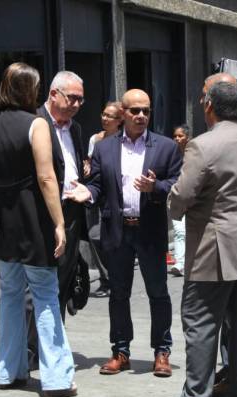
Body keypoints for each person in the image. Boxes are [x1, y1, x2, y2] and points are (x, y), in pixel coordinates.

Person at [154, 81, 237, 397]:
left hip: (215, 247)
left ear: (207, 106)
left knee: (200, 321)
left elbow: (182, 194)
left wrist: (173, 208)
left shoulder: (201, 146)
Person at [0, 62, 76, 397]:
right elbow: (46, 177)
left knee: (9, 294)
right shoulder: (36, 124)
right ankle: (56, 378)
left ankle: (8, 372)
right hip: (31, 221)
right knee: (45, 295)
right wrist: (58, 222)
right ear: (31, 90)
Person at [65, 89, 182, 378]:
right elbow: (97, 185)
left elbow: (178, 185)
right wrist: (87, 193)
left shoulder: (166, 147)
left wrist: (155, 188)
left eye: (146, 111)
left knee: (158, 292)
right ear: (123, 114)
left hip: (150, 230)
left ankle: (162, 352)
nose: (141, 116)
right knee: (118, 294)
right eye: (135, 111)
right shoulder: (105, 148)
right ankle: (120, 351)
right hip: (117, 229)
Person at [24, 71, 87, 368]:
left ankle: (52, 345)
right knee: (34, 284)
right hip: (42, 215)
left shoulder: (75, 129)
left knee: (61, 282)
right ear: (52, 94)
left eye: (80, 99)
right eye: (71, 97)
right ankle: (29, 350)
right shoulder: (35, 123)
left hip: (71, 212)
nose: (76, 104)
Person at [86, 101, 124, 297]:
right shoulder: (96, 139)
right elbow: (91, 163)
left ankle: (113, 278)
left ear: (120, 121)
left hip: (118, 197)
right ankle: (107, 279)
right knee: (95, 235)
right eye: (103, 114)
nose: (105, 118)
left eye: (110, 116)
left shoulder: (123, 140)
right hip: (99, 194)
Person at [169, 123, 191, 277]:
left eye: (180, 136)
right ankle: (180, 263)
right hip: (176, 197)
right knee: (179, 231)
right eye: (175, 136)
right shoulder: (170, 153)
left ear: (187, 138)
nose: (177, 139)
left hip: (192, 198)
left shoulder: (194, 153)